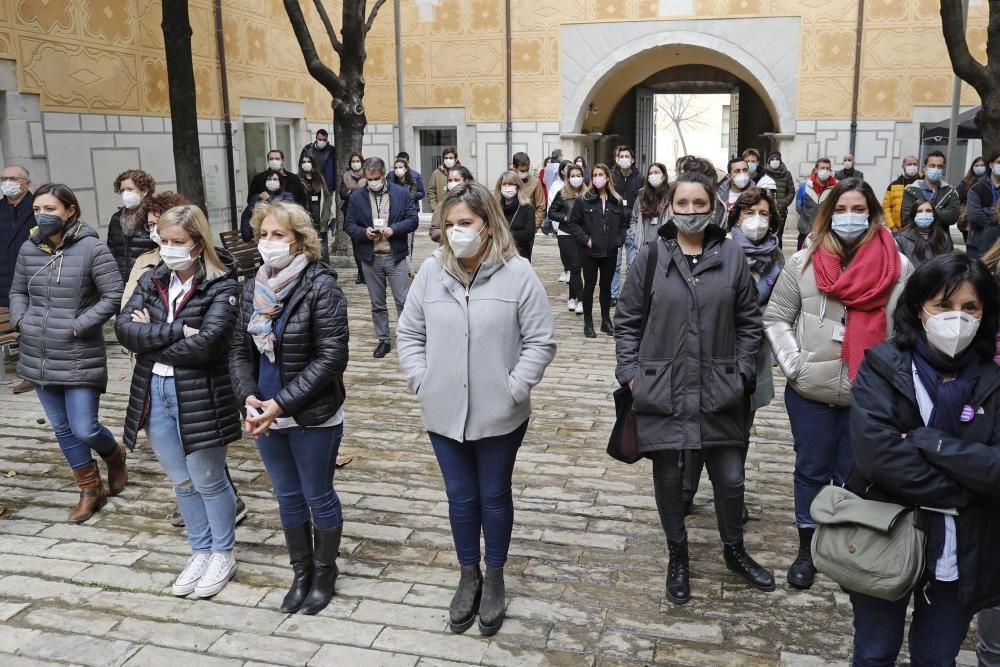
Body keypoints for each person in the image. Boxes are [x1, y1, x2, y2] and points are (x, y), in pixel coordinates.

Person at [397, 181, 556, 636]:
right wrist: (421, 380)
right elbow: (409, 334)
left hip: (500, 412)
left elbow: (540, 340)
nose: (456, 232)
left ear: (487, 224)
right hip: (442, 408)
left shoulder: (517, 273)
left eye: (465, 223)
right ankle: (469, 573)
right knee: (460, 497)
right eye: (448, 225)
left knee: (493, 494)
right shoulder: (430, 272)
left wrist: (515, 387)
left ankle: (496, 574)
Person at [614, 171, 775, 606]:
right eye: (682, 204)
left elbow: (748, 321)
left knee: (730, 475)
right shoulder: (651, 257)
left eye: (698, 204)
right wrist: (631, 373)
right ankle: (678, 553)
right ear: (670, 207)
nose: (690, 212)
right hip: (662, 384)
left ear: (715, 206)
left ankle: (733, 549)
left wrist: (741, 371)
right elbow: (627, 320)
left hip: (719, 384)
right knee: (668, 475)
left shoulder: (732, 256)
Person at [847, 252, 1000, 666]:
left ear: (985, 314)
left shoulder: (992, 381)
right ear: (920, 308)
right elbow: (880, 459)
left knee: (936, 658)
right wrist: (967, 489)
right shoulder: (883, 366)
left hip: (958, 552)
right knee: (875, 652)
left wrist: (929, 442)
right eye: (944, 305)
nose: (957, 318)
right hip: (885, 538)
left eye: (970, 307)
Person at [764, 179, 911, 591]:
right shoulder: (803, 264)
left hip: (869, 396)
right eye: (841, 208)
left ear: (872, 213)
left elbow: (909, 333)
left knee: (856, 473)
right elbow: (775, 317)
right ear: (828, 215)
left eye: (858, 208)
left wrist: (891, 383)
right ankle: (807, 548)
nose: (850, 217)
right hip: (811, 392)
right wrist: (796, 365)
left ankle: (846, 549)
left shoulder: (897, 267)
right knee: (811, 470)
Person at [229, 200, 349, 616]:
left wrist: (281, 403)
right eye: (263, 235)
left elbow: (331, 358)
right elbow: (239, 353)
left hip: (311, 412)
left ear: (300, 242)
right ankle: (301, 572)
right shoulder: (252, 288)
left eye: (278, 235)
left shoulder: (321, 286)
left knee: (317, 493)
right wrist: (248, 397)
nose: (267, 243)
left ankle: (324, 570)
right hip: (262, 409)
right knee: (287, 495)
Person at [117, 204, 240, 599]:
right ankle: (200, 549)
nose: (168, 249)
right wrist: (177, 330)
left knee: (209, 479)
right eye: (163, 241)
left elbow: (208, 346)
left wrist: (150, 337)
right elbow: (123, 329)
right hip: (153, 391)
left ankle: (223, 552)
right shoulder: (153, 278)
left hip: (200, 393)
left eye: (177, 242)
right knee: (182, 483)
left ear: (198, 243)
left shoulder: (222, 284)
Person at [9, 184, 125, 523]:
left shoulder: (93, 249)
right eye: (38, 209)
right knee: (62, 427)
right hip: (38, 353)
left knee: (85, 427)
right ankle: (90, 488)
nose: (43, 215)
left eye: (51, 209)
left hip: (78, 352)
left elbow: (113, 295)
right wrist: (20, 319)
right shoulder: (28, 249)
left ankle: (114, 453)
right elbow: (17, 290)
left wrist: (79, 325)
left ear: (70, 210)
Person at [344, 157, 419, 358]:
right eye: (369, 179)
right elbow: (349, 225)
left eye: (376, 178)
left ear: (383, 175)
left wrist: (393, 229)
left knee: (403, 301)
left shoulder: (401, 194)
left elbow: (413, 220)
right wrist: (363, 233)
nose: (373, 182)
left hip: (395, 256)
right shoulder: (357, 197)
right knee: (377, 304)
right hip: (371, 257)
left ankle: (407, 338)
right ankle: (383, 340)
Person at [561, 163, 627, 339]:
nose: (598, 177)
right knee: (589, 286)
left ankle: (606, 321)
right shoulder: (584, 200)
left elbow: (623, 224)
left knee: (605, 287)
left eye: (601, 174)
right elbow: (573, 223)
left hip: (610, 252)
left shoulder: (616, 200)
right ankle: (588, 322)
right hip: (589, 252)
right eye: (595, 174)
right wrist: (586, 239)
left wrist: (618, 241)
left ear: (607, 178)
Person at [0, 164, 35, 394]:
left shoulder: (39, 208)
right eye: (3, 178)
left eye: (13, 178)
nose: (7, 182)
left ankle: (31, 374)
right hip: (3, 278)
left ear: (27, 183)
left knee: (30, 327)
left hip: (30, 278)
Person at [549, 163, 587, 315]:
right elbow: (551, 212)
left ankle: (572, 298)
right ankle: (582, 300)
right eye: (573, 176)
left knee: (576, 268)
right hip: (566, 235)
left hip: (581, 235)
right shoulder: (562, 193)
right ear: (567, 178)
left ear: (583, 177)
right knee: (575, 267)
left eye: (578, 176)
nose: (576, 179)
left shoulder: (588, 194)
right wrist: (565, 218)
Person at [107, 169, 157, 283]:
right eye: (122, 190)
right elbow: (111, 252)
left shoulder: (153, 216)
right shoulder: (116, 218)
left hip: (147, 280)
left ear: (144, 191)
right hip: (120, 282)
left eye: (130, 189)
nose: (125, 194)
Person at [610, 145, 643, 304]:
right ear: (617, 159)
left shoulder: (639, 178)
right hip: (614, 226)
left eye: (626, 156)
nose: (624, 159)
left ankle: (629, 295)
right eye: (621, 156)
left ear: (632, 159)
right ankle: (613, 295)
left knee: (631, 265)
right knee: (614, 264)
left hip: (632, 225)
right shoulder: (611, 177)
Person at [900, 151, 960, 237]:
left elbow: (952, 217)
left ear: (943, 169)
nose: (936, 169)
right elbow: (907, 217)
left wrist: (926, 212)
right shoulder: (911, 190)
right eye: (932, 166)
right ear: (924, 168)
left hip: (941, 241)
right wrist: (939, 213)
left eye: (939, 166)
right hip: (915, 241)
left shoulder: (950, 192)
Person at [389, 157, 426, 271]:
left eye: (400, 167)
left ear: (406, 169)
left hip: (408, 215)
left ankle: (408, 269)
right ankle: (403, 268)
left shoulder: (412, 182)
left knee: (408, 244)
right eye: (396, 167)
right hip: (394, 216)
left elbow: (412, 196)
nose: (398, 169)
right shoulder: (390, 182)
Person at [894, 200, 954, 268]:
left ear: (933, 214)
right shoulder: (901, 239)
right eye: (919, 211)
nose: (924, 214)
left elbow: (949, 265)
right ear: (914, 215)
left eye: (928, 211)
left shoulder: (943, 237)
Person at [794, 158, 837, 250]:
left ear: (830, 171)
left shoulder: (835, 189)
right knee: (802, 262)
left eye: (827, 168)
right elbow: (798, 208)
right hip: (805, 233)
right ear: (816, 170)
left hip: (826, 235)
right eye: (822, 168)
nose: (825, 171)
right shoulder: (805, 186)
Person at [494, 170, 537, 261]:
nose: (507, 187)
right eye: (504, 184)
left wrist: (505, 234)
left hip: (520, 255)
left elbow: (528, 234)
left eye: (510, 184)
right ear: (500, 187)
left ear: (518, 187)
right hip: (498, 256)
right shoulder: (495, 209)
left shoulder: (527, 208)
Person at [298, 154, 333, 263]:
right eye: (304, 162)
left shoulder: (319, 177)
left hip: (320, 215)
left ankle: (326, 272)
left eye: (308, 161)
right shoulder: (298, 179)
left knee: (323, 247)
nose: (306, 164)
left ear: (313, 163)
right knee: (309, 247)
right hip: (306, 216)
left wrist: (326, 215)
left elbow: (327, 196)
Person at [339, 152, 367, 283]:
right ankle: (360, 273)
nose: (355, 163)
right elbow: (342, 194)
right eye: (353, 161)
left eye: (358, 160)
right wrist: (355, 192)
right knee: (356, 245)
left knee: (366, 244)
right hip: (351, 213)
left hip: (366, 213)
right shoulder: (345, 176)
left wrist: (352, 191)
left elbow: (367, 193)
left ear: (362, 162)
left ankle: (367, 272)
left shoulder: (368, 175)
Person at [241, 171, 295, 242]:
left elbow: (281, 212)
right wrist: (247, 236)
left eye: (275, 179)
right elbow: (246, 216)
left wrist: (268, 199)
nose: (272, 181)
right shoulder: (257, 197)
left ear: (280, 182)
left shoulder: (287, 196)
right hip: (262, 236)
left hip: (279, 235)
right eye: (269, 179)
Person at [966, 151, 1000, 259]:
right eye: (998, 162)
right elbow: (974, 215)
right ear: (991, 165)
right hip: (977, 243)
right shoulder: (977, 188)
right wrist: (996, 220)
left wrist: (986, 210)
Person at [429, 166, 475, 244]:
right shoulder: (443, 204)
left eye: (456, 180)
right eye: (450, 180)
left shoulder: (476, 202)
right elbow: (434, 231)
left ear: (466, 181)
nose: (452, 183)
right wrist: (452, 235)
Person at [630, 162, 670, 250]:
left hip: (664, 246)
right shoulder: (642, 194)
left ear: (663, 176)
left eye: (656, 172)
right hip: (643, 246)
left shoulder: (670, 195)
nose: (653, 175)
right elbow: (634, 219)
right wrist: (636, 236)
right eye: (650, 173)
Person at [763, 151, 796, 247]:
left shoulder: (786, 174)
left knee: (778, 237)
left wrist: (784, 203)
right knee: (765, 237)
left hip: (781, 212)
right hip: (766, 211)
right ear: (769, 161)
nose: (775, 161)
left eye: (777, 159)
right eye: (772, 159)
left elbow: (791, 191)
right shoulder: (764, 173)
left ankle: (778, 259)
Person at [882, 154, 921, 231]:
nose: (912, 166)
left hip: (920, 229)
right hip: (899, 229)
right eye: (909, 164)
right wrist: (892, 227)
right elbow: (886, 207)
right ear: (903, 166)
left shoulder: (924, 183)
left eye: (915, 164)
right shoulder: (894, 185)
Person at [511, 152, 546, 234]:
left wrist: (534, 227)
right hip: (509, 227)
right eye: (522, 171)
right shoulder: (507, 181)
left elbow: (541, 207)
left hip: (527, 228)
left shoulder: (535, 182)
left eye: (527, 170)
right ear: (514, 167)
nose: (525, 173)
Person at [957, 156, 987, 242]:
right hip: (966, 222)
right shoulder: (966, 181)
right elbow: (958, 196)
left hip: (984, 222)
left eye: (982, 165)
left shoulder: (990, 182)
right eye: (976, 165)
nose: (979, 168)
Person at [716, 157, 752, 225]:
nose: (742, 174)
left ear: (749, 173)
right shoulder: (720, 195)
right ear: (729, 176)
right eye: (737, 171)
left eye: (745, 170)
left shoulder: (756, 194)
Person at [426, 147, 458, 212]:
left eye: (451, 158)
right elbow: (431, 191)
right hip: (441, 211)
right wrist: (434, 208)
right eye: (446, 158)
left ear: (455, 159)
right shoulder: (436, 173)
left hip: (457, 210)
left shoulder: (461, 172)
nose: (448, 160)